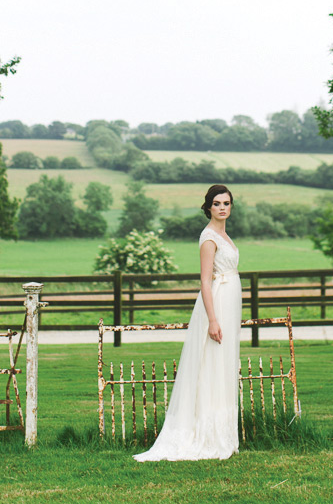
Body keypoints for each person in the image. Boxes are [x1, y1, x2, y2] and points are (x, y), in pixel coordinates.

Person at [133, 184, 242, 461]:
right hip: (216, 304)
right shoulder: (208, 238)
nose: (222, 208)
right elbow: (205, 280)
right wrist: (213, 320)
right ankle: (206, 434)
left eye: (226, 203)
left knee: (224, 366)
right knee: (211, 366)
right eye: (217, 203)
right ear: (208, 207)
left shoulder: (224, 235)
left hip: (229, 303)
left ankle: (224, 435)